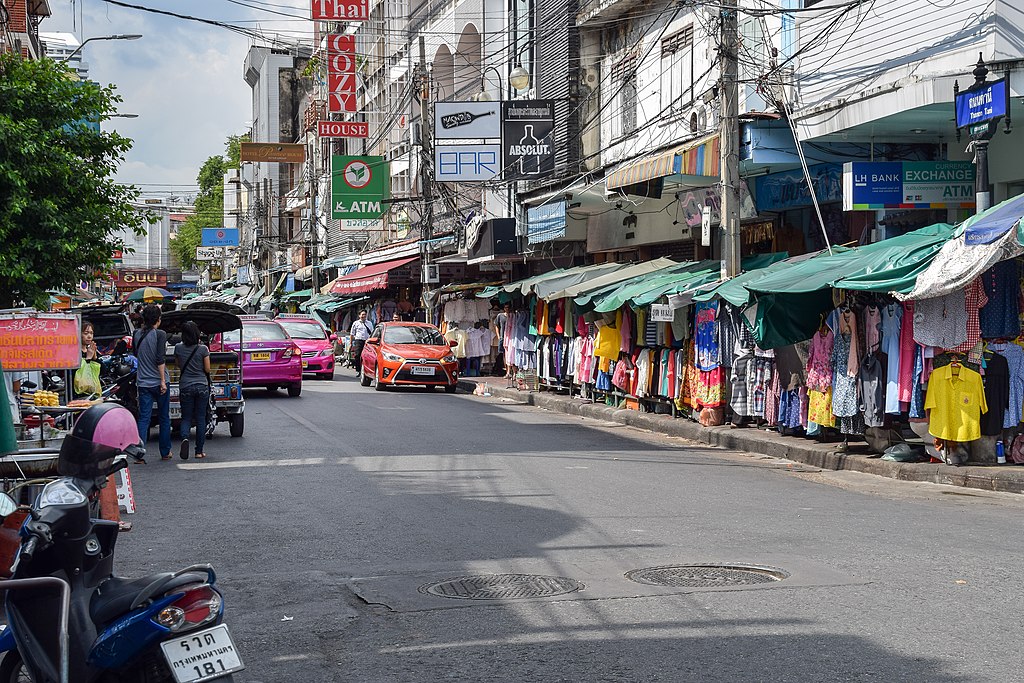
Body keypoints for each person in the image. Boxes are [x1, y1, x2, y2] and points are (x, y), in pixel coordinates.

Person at [132, 304, 171, 461]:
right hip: (159, 382)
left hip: (143, 383)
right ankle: (165, 452)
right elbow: (160, 359)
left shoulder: (136, 334)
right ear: (158, 319)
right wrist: (162, 381)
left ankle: (139, 453)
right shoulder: (160, 334)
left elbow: (136, 354)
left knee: (144, 419)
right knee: (163, 418)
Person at [174, 321, 211, 461]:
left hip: (185, 386)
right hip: (201, 386)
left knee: (186, 417)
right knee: (201, 418)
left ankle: (184, 438)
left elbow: (178, 364)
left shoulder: (178, 347)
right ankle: (199, 451)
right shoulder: (203, 349)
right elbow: (207, 369)